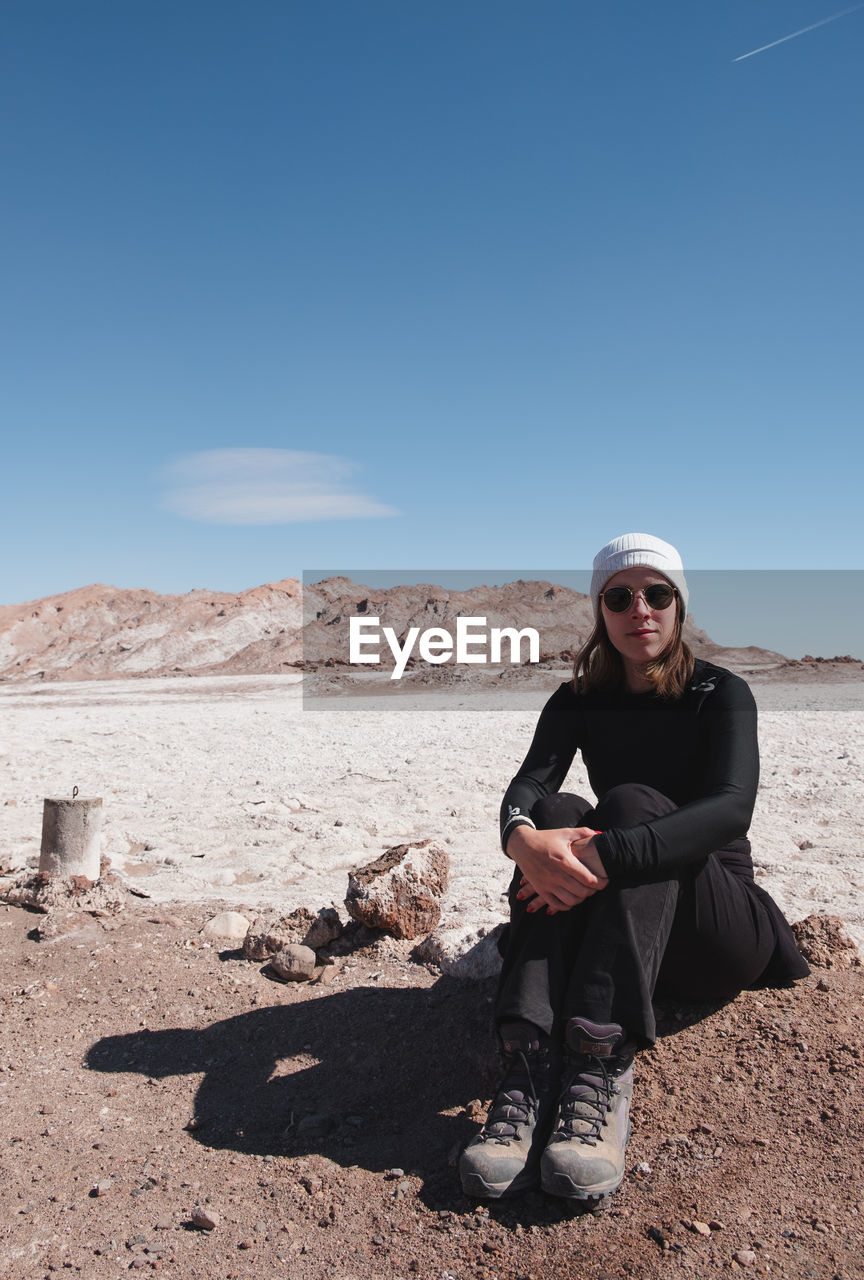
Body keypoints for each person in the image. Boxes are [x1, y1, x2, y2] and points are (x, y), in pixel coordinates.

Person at [460, 532, 809, 1203]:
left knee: (631, 803)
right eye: (620, 596)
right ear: (601, 611)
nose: (639, 609)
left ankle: (599, 1060)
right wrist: (523, 842)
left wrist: (606, 851)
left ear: (679, 605)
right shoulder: (580, 698)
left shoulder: (721, 692)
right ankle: (529, 1059)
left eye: (657, 594)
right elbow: (529, 786)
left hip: (713, 929)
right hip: (622, 924)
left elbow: (730, 812)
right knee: (560, 808)